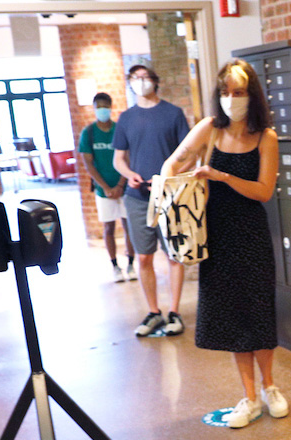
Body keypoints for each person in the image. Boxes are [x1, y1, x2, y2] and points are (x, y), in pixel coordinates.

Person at [160, 59, 287, 429]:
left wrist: (220, 175)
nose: (232, 99)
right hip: (216, 235)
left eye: (240, 92)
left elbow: (264, 191)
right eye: (226, 92)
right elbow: (173, 163)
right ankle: (249, 396)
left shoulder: (266, 137)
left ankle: (270, 387)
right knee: (232, 316)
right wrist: (177, 183)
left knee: (259, 310)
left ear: (253, 95)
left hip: (251, 233)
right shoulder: (209, 130)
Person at [113, 65, 191, 337]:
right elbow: (118, 159)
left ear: (155, 81)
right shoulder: (126, 118)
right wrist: (130, 175)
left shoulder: (173, 114)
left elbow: (188, 154)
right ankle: (154, 311)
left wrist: (170, 175)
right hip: (137, 197)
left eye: (145, 77)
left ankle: (175, 311)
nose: (141, 82)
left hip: (169, 194)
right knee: (143, 256)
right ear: (130, 83)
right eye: (135, 78)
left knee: (173, 254)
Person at [77, 92, 137, 283]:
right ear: (94, 108)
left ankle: (130, 264)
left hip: (124, 186)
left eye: (105, 106)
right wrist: (105, 187)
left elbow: (127, 157)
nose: (102, 110)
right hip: (103, 190)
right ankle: (115, 266)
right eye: (99, 106)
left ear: (110, 107)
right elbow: (89, 164)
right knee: (109, 227)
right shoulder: (89, 133)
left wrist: (120, 184)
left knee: (129, 226)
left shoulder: (120, 129)